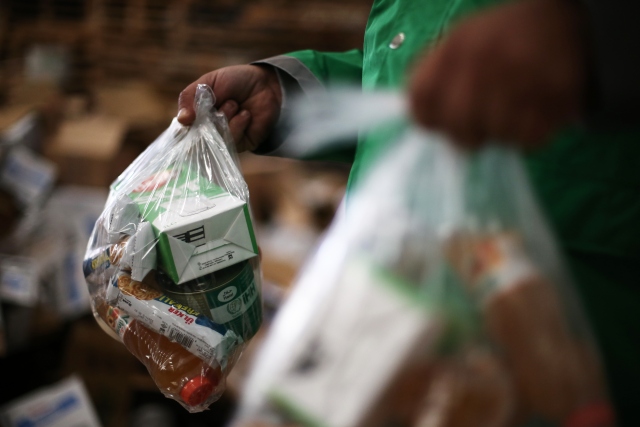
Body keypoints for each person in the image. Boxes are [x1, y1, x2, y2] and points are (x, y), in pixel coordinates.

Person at [177, 0, 640, 424]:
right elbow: (415, 63)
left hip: (572, 284)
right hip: (391, 306)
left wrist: (587, 30)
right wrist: (291, 97)